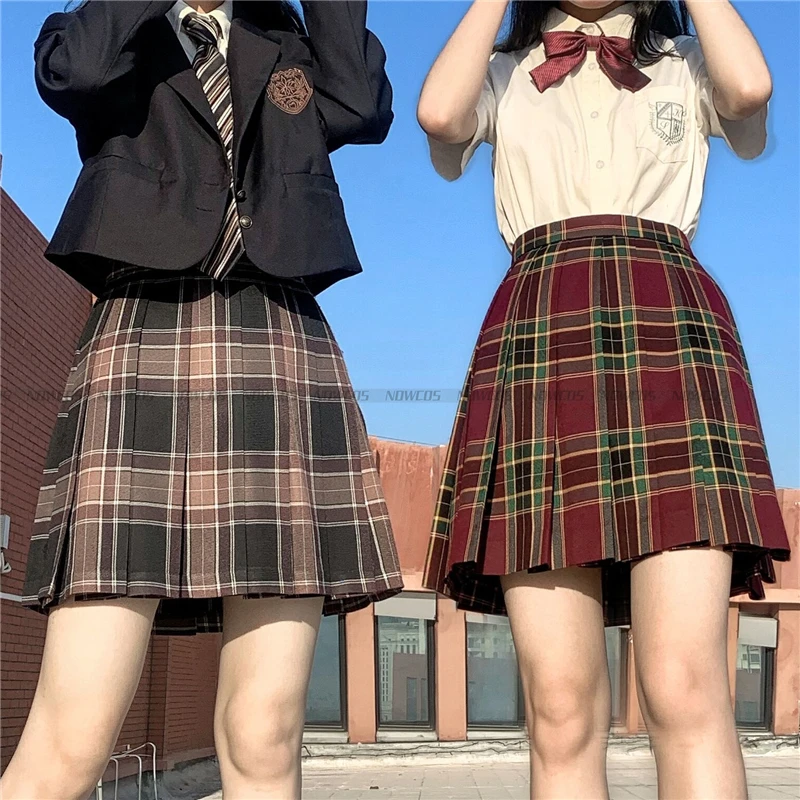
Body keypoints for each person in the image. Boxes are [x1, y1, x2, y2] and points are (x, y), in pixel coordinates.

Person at [1, 1, 402, 798]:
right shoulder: (107, 31)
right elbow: (79, 73)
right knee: (73, 736)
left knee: (265, 733)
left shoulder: (287, 44)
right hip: (141, 340)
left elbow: (360, 104)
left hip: (276, 341)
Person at [418, 1, 790, 797]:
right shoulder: (504, 72)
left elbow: (751, 90)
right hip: (539, 328)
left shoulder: (687, 64)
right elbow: (440, 115)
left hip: (670, 328)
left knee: (683, 686)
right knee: (559, 708)